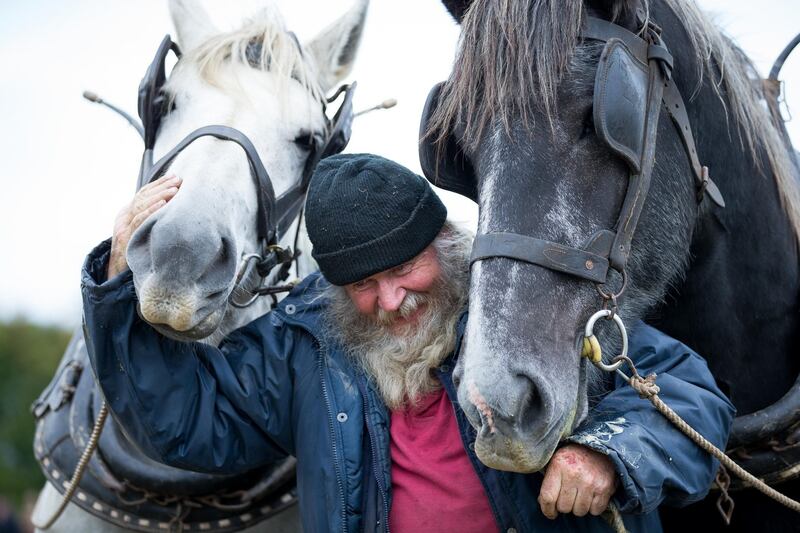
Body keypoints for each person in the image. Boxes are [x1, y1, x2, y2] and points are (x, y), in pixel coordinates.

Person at [81, 153, 734, 532]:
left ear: (444, 245)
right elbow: (189, 417)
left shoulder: (528, 301)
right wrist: (115, 284)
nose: (392, 299)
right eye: (365, 283)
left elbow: (684, 391)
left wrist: (605, 455)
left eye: (403, 269)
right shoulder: (306, 340)